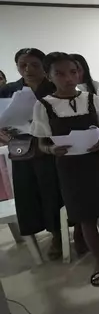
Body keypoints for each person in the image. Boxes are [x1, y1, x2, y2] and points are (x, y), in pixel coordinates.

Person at [31, 52, 99, 286]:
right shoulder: (44, 105)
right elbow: (41, 142)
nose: (68, 78)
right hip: (69, 165)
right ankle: (98, 261)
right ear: (49, 76)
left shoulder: (91, 99)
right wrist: (52, 150)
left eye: (72, 72)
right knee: (86, 218)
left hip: (97, 161)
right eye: (60, 74)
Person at [0, 48, 81, 260]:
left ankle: (78, 229)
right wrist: (6, 135)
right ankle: (55, 234)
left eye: (34, 64)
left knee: (58, 189)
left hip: (52, 144)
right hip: (22, 146)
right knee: (32, 191)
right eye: (23, 65)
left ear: (44, 67)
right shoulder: (8, 91)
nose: (28, 69)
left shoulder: (55, 88)